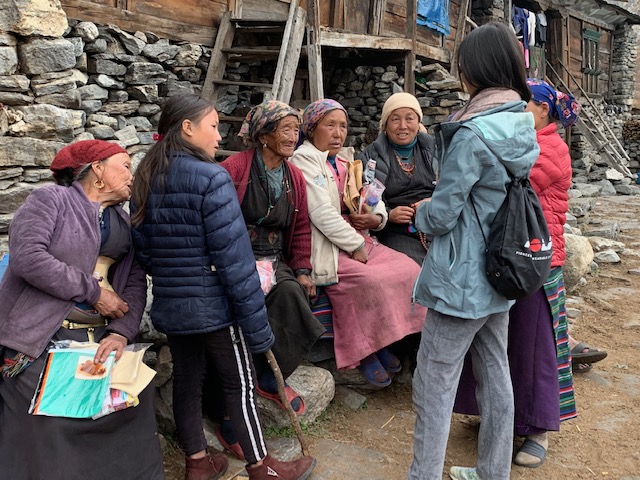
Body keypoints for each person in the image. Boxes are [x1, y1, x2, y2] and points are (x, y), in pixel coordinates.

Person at [130, 94, 315, 480]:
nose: (219, 136)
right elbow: (234, 261)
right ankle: (262, 467)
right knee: (241, 385)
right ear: (187, 128)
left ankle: (197, 464)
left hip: (172, 304)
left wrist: (176, 277)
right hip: (215, 305)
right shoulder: (213, 178)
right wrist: (257, 328)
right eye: (213, 126)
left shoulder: (146, 174)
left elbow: (143, 251)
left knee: (187, 383)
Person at [408, 23, 539, 480]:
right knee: (494, 374)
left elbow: (443, 216)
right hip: (499, 269)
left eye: (462, 65)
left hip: (461, 279)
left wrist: (420, 212)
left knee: (433, 385)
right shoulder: (520, 120)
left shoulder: (472, 133)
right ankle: (493, 473)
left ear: (477, 68)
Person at [0, 140, 164, 479]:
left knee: (132, 398)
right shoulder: (51, 200)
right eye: (124, 165)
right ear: (98, 169)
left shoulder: (123, 220)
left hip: (100, 335)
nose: (131, 175)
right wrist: (93, 292)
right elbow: (28, 256)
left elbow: (134, 279)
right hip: (42, 334)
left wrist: (121, 333)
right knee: (52, 413)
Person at [290, 99, 427, 388]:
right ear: (312, 128)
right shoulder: (304, 160)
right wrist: (355, 244)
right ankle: (363, 352)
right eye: (330, 125)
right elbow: (321, 213)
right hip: (328, 245)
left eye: (343, 126)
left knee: (408, 269)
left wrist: (376, 217)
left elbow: (370, 196)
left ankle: (382, 342)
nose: (338, 133)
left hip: (358, 238)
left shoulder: (343, 161)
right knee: (368, 280)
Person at [219, 100, 324, 450]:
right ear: (263, 136)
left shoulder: (295, 176)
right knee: (242, 307)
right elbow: (218, 222)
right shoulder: (235, 168)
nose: (294, 136)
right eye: (286, 130)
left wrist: (304, 270)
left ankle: (269, 377)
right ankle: (231, 405)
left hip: (274, 257)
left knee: (293, 296)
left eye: (296, 129)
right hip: (238, 257)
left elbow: (303, 227)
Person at [357, 92, 437, 264]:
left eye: (409, 119)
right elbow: (367, 198)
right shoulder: (371, 157)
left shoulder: (435, 150)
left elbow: (454, 188)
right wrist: (388, 213)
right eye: (395, 119)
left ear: (418, 122)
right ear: (385, 124)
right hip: (395, 231)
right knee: (412, 267)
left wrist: (434, 200)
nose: (403, 126)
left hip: (436, 223)